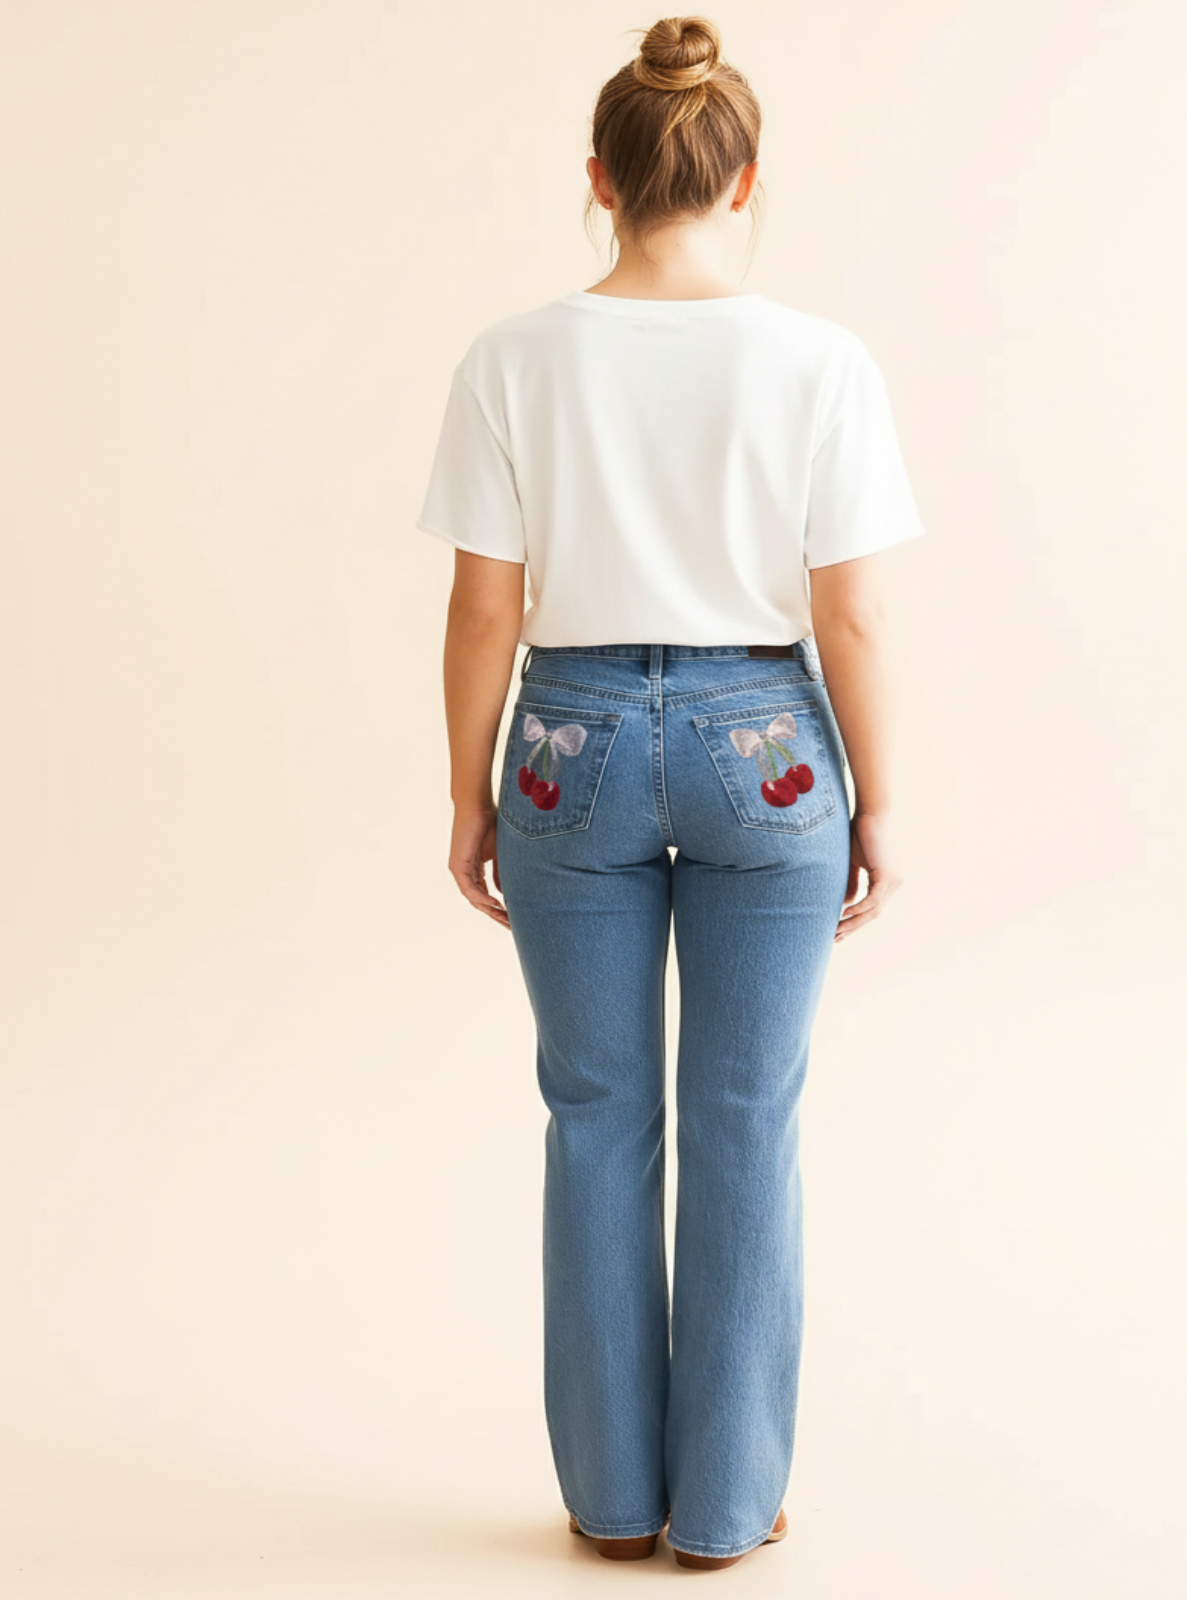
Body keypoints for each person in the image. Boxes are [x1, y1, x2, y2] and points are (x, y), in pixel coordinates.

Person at [414, 13, 926, 1574]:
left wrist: (467, 790)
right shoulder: (820, 360)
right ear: (745, 177)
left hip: (564, 742)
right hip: (762, 736)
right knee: (742, 1121)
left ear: (599, 179)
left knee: (594, 1118)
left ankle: (613, 1503)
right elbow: (848, 613)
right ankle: (720, 1509)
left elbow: (485, 607)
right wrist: (880, 798)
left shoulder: (512, 356)